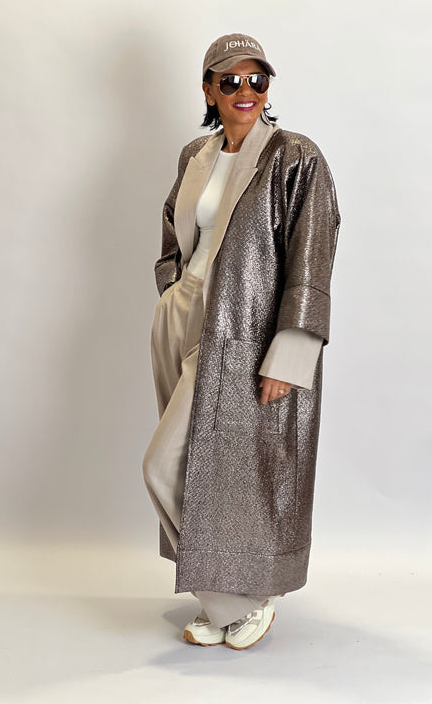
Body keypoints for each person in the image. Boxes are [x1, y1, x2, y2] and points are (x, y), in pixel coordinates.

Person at [142, 33, 341, 650]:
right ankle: (221, 595)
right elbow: (176, 232)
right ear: (208, 90)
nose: (245, 91)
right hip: (182, 317)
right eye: (229, 81)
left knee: (168, 465)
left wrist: (291, 351)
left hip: (242, 330)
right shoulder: (195, 155)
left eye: (257, 80)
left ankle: (245, 596)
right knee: (199, 470)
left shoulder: (295, 157)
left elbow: (312, 256)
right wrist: (170, 291)